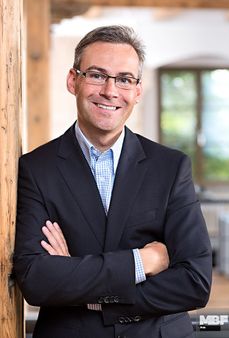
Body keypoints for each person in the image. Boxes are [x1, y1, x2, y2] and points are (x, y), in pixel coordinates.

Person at [14, 25, 212, 338]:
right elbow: (36, 280)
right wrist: (142, 260)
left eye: (124, 79)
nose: (110, 91)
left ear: (137, 91)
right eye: (96, 74)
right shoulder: (36, 168)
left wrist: (84, 286)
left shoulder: (171, 167)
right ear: (73, 80)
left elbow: (195, 283)